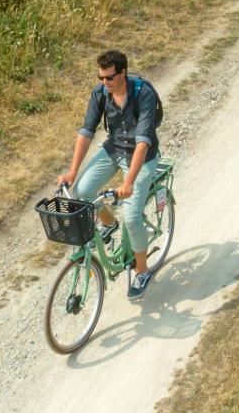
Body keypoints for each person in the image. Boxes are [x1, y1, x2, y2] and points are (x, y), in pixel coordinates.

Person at [58, 50, 161, 298]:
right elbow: (86, 131)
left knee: (132, 216)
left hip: (142, 158)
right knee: (81, 191)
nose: (105, 82)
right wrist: (72, 172)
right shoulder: (100, 93)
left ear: (123, 72)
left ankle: (143, 270)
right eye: (101, 77)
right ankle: (109, 223)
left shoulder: (143, 94)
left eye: (109, 77)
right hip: (114, 149)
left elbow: (143, 142)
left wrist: (128, 182)